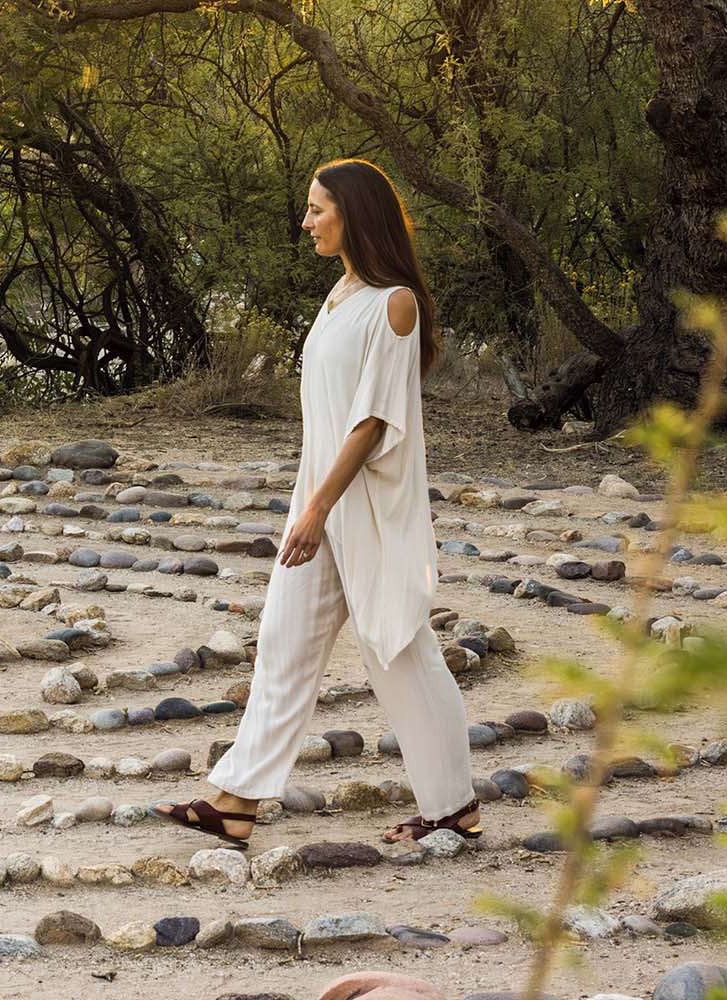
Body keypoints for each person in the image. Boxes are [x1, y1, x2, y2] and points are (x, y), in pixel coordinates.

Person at [156, 158, 480, 850]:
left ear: (352, 213)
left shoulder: (394, 303)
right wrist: (312, 503)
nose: (306, 222)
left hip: (365, 507)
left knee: (398, 649)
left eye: (317, 209)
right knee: (283, 642)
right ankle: (236, 801)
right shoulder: (341, 292)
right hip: (321, 497)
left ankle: (453, 807)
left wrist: (318, 509)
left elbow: (373, 421)